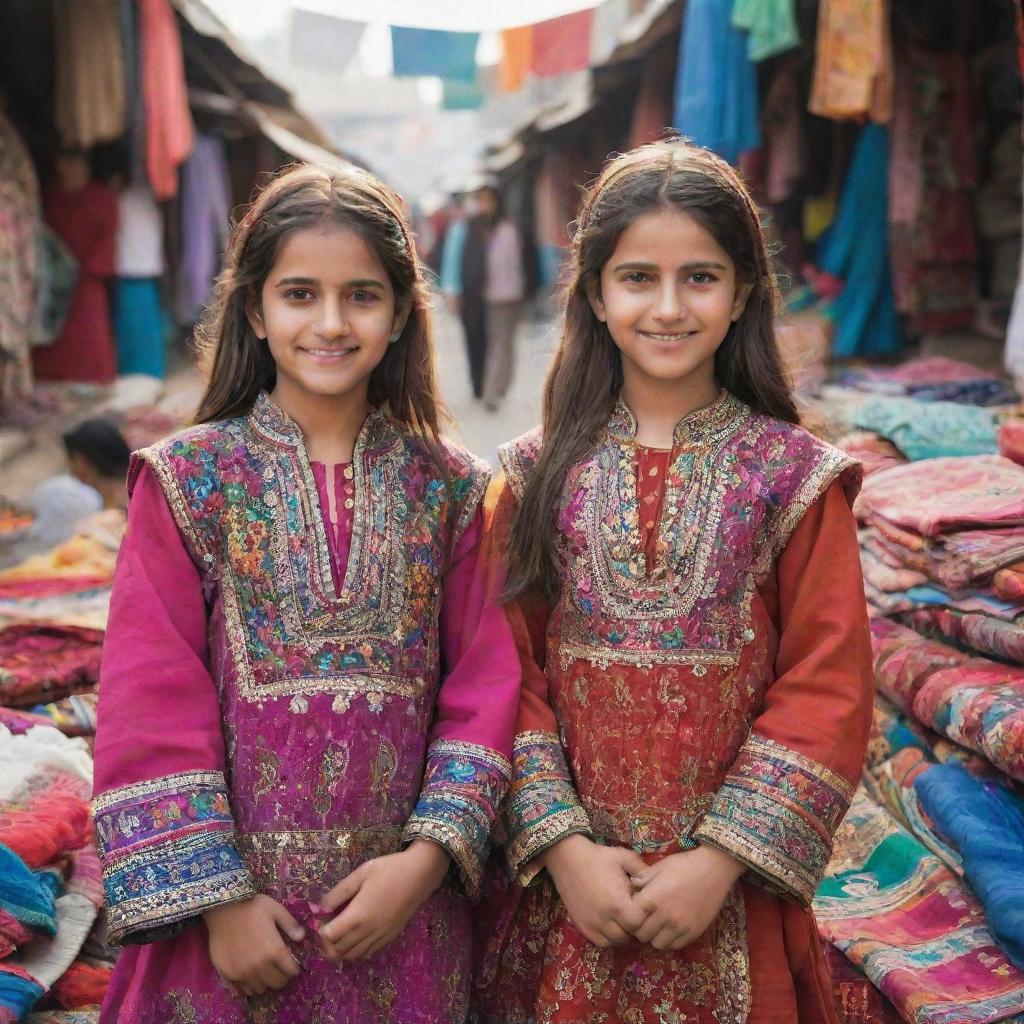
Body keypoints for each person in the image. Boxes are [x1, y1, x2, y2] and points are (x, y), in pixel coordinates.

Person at [91, 164, 520, 1022]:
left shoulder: (457, 491)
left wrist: (427, 862)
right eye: (299, 294)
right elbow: (149, 698)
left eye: (361, 296)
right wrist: (216, 902)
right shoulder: (186, 482)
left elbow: (487, 686)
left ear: (400, 314)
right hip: (232, 934)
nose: (330, 323)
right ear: (255, 310)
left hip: (403, 918)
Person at [473, 140, 873, 1023]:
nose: (666, 306)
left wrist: (719, 860)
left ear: (741, 298)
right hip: (565, 905)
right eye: (636, 278)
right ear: (594, 295)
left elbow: (830, 685)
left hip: (732, 903)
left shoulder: (794, 479)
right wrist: (566, 849)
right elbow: (506, 677)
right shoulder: (532, 479)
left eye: (699, 277)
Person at [33, 147, 119, 384]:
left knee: (90, 328)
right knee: (54, 328)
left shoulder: (101, 196)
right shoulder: (51, 196)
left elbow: (108, 234)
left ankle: (92, 377)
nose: (69, 170)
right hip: (55, 276)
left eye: (75, 164)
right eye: (64, 164)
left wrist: (90, 268)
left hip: (88, 275)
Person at [441, 180, 525, 409]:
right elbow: (453, 261)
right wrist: (452, 291)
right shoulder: (466, 227)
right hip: (473, 295)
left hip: (501, 297)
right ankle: (480, 385)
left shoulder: (505, 228)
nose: (485, 204)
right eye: (481, 199)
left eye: (489, 199)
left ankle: (491, 388)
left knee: (498, 342)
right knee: (476, 341)